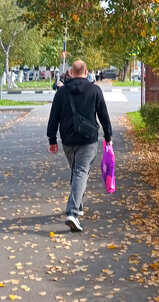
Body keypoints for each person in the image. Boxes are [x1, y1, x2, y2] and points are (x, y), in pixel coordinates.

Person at [47, 59, 112, 233]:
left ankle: (78, 206)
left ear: (70, 72)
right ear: (86, 72)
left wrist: (52, 139)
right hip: (88, 140)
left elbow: (54, 116)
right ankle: (72, 212)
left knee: (77, 172)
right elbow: (103, 115)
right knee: (81, 172)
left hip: (67, 140)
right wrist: (108, 136)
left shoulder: (61, 92)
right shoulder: (94, 90)